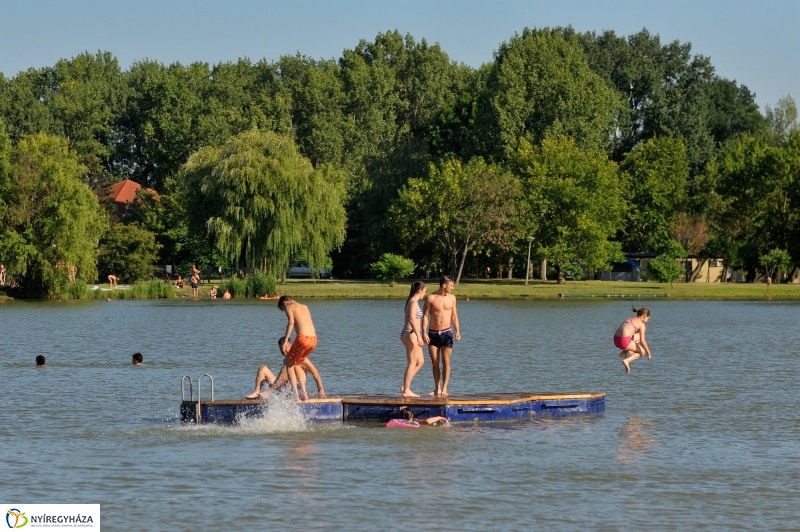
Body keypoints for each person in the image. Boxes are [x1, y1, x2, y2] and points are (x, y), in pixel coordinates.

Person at [245, 337, 326, 400]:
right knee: (262, 369)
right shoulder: (287, 359)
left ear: (291, 345)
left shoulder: (301, 358)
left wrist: (320, 389)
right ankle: (256, 392)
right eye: (281, 349)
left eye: (285, 347)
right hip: (281, 387)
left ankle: (269, 392)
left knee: (285, 368)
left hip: (296, 388)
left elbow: (315, 372)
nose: (283, 350)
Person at [422, 276, 461, 396]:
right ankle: (437, 388)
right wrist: (423, 332)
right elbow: (425, 316)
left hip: (446, 333)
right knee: (435, 362)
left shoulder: (452, 298)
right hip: (433, 334)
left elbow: (454, 316)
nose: (452, 288)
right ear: (444, 285)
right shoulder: (431, 298)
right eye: (451, 285)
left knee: (446, 362)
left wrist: (457, 331)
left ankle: (444, 389)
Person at [274, 296, 319, 401]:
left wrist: (285, 340)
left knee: (288, 363)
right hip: (313, 340)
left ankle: (297, 394)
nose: (284, 310)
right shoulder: (305, 306)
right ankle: (307, 391)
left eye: (283, 308)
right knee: (296, 362)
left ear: (285, 303)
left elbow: (291, 322)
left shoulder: (289, 307)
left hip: (303, 339)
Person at [400, 281, 427, 398]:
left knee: (420, 362)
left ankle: (405, 386)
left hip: (414, 334)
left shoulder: (414, 302)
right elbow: (411, 319)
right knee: (412, 363)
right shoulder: (413, 302)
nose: (424, 294)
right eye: (424, 291)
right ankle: (406, 390)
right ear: (419, 290)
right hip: (410, 334)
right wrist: (419, 336)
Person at [614, 306, 653, 374]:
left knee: (637, 337)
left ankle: (624, 353)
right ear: (645, 315)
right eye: (648, 318)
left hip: (616, 339)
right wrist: (648, 352)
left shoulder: (630, 319)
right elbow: (642, 341)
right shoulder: (641, 324)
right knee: (642, 351)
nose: (647, 321)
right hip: (623, 341)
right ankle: (627, 361)